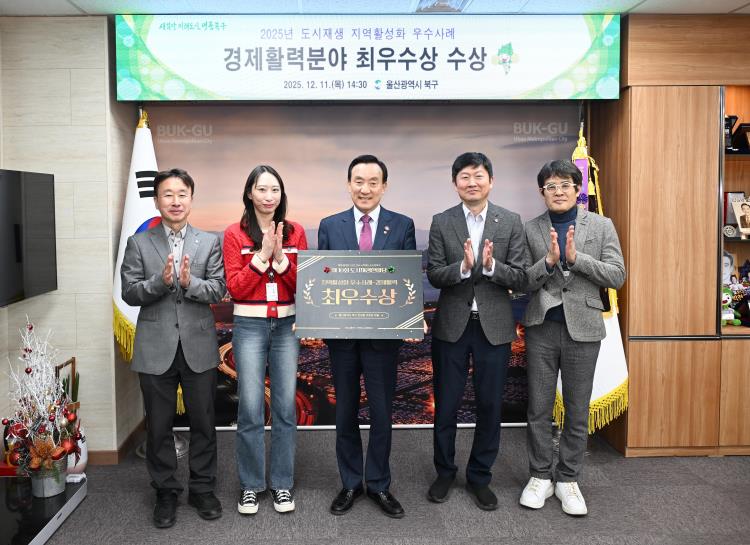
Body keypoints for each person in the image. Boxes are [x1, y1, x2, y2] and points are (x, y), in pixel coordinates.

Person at [121, 168, 226, 528]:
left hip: (198, 345)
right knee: (159, 426)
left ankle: (202, 488)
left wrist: (189, 282)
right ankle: (165, 491)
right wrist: (160, 282)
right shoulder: (139, 242)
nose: (175, 201)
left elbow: (218, 289)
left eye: (182, 194)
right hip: (155, 347)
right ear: (156, 201)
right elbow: (129, 292)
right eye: (168, 194)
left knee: (204, 422)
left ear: (191, 199)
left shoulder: (209, 242)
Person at [519, 159, 625, 516]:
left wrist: (577, 259)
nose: (558, 191)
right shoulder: (530, 228)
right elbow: (522, 281)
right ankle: (539, 476)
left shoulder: (601, 225)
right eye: (551, 186)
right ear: (542, 192)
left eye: (565, 184)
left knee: (578, 409)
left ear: (578, 189)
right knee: (538, 408)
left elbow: (617, 275)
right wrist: (549, 262)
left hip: (584, 326)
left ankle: (567, 479)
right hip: (542, 327)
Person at [426, 152, 526, 511]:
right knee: (446, 405)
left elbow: (521, 276)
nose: (472, 182)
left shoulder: (510, 221)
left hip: (493, 328)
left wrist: (492, 266)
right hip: (452, 326)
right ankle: (444, 472)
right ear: (455, 184)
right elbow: (434, 273)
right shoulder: (442, 221)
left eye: (478, 176)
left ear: (491, 181)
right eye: (465, 177)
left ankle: (480, 477)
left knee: (489, 404)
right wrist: (464, 268)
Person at [318, 154, 416, 519]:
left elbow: (406, 279)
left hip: (382, 340)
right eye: (358, 181)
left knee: (381, 412)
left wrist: (409, 320)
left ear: (384, 187)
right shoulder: (330, 225)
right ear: (348, 184)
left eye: (373, 182)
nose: (365, 188)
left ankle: (378, 483)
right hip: (342, 339)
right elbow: (322, 278)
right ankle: (349, 483)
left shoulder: (402, 225)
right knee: (344, 411)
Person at [223, 165, 307, 516]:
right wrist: (261, 256)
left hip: (287, 327)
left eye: (275, 190)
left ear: (281, 194)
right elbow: (235, 288)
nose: (269, 196)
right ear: (249, 193)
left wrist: (282, 258)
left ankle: (282, 484)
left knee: (285, 407)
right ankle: (251, 486)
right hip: (249, 327)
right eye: (262, 189)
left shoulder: (296, 231)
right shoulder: (234, 233)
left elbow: (302, 287)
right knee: (251, 407)